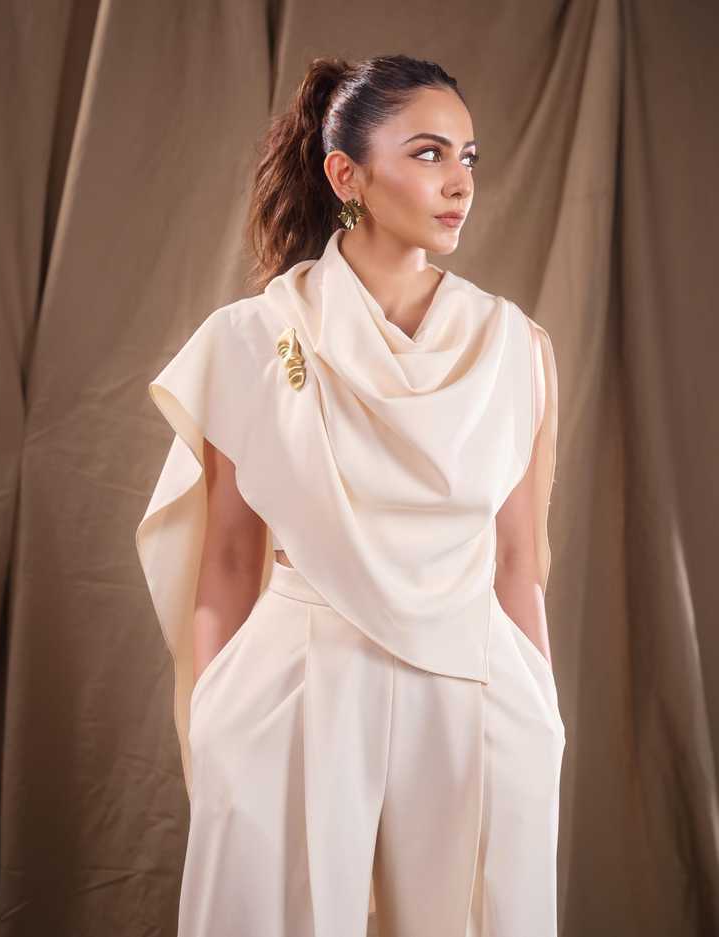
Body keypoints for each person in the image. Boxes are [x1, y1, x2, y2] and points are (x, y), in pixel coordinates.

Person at [136, 53, 565, 937]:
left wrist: (542, 716)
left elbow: (520, 559)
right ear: (346, 175)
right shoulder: (252, 340)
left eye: (468, 157)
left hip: (475, 681)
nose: (459, 182)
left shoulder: (516, 347)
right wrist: (215, 723)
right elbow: (228, 556)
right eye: (428, 153)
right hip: (300, 677)